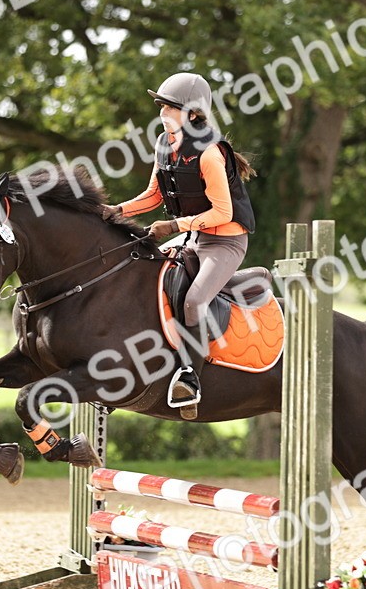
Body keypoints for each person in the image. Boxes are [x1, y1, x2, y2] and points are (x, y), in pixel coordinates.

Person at [104, 72, 257, 419]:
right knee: (141, 274)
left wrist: (173, 225)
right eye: (161, 106)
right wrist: (116, 210)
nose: (162, 112)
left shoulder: (210, 154)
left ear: (193, 113)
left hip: (226, 242)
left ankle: (191, 378)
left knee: (194, 300)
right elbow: (153, 195)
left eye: (171, 107)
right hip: (193, 236)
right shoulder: (164, 144)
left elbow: (222, 211)